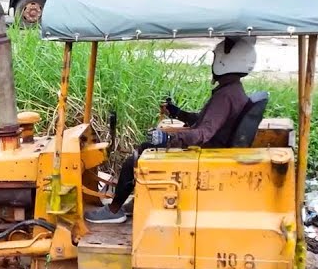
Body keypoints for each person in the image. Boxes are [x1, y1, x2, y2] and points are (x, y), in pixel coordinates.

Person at [85, 36, 257, 224]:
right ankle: (139, 201)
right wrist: (177, 112)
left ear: (225, 62)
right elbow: (204, 121)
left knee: (136, 157)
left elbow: (202, 133)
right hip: (212, 152)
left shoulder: (226, 96)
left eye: (215, 59)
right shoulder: (232, 91)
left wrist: (168, 138)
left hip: (205, 155)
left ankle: (114, 209)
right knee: (147, 148)